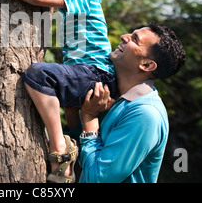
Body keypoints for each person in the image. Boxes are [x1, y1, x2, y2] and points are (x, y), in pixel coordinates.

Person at [0, 0, 119, 183]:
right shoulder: (82, 0)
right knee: (74, 120)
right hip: (91, 76)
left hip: (94, 75)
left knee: (38, 75)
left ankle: (58, 145)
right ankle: (71, 163)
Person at [78, 21, 185, 183]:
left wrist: (90, 117)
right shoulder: (118, 98)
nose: (124, 37)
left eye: (134, 40)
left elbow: (98, 178)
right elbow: (84, 155)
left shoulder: (145, 114)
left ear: (147, 65)